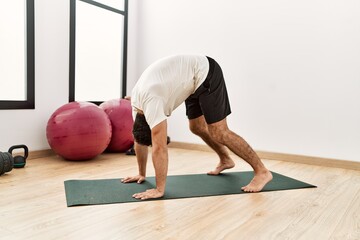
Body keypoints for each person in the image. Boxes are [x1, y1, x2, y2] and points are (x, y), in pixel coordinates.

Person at [121, 54, 273, 200]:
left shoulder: (152, 104)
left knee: (219, 131)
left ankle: (262, 171)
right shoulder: (137, 108)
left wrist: (159, 189)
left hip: (206, 72)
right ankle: (226, 159)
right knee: (196, 127)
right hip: (189, 79)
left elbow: (159, 148)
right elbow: (139, 139)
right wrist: (141, 174)